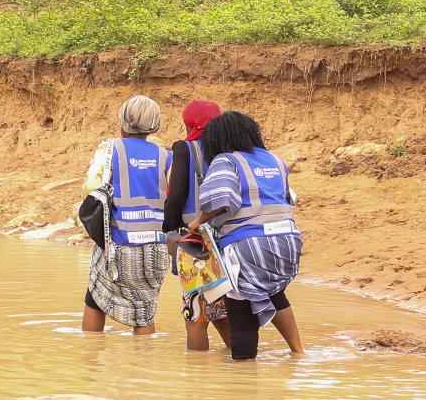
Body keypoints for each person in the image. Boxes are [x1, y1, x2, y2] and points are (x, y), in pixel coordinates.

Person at [189, 111, 306, 361]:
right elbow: (289, 198)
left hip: (248, 246)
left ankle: (243, 382)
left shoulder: (227, 161)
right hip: (288, 242)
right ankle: (298, 352)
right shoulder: (275, 160)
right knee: (273, 292)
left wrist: (197, 223)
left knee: (241, 315)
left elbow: (221, 200)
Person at [82, 95, 171, 336]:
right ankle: (142, 367)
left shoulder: (108, 149)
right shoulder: (166, 156)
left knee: (95, 298)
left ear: (122, 121)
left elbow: (91, 188)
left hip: (118, 243)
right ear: (155, 125)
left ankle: (90, 358)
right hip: (156, 246)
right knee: (144, 310)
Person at [163, 99, 231, 352]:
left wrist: (169, 229)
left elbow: (176, 195)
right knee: (223, 308)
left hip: (196, 240)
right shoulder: (232, 150)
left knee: (195, 315)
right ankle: (239, 366)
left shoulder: (185, 149)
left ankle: (197, 378)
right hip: (230, 239)